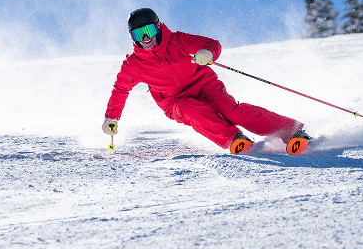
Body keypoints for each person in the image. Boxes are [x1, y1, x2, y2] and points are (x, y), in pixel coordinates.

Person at [102, 8, 312, 155]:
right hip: (174, 100)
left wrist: (207, 53)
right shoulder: (133, 64)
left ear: (158, 26)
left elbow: (212, 44)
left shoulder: (177, 40)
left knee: (230, 110)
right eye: (139, 34)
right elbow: (120, 89)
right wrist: (112, 117)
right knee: (191, 109)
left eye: (148, 30)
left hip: (203, 83)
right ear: (132, 37)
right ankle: (234, 140)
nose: (145, 38)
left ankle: (292, 130)